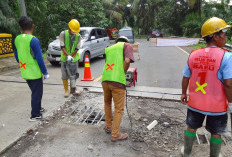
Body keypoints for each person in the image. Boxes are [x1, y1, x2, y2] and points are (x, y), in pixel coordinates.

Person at [180, 17, 232, 157]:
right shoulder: (226, 57)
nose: (225, 37)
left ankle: (186, 153)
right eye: (224, 34)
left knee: (191, 127)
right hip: (217, 105)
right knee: (216, 132)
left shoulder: (194, 54)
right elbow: (228, 84)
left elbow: (186, 77)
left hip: (195, 102)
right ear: (215, 36)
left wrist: (184, 93)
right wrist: (231, 103)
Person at [14, 16, 49, 121]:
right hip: (34, 72)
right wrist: (45, 72)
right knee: (37, 93)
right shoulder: (33, 40)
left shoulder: (17, 39)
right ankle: (35, 115)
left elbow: (16, 54)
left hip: (24, 71)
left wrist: (21, 63)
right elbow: (39, 58)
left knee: (35, 92)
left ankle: (37, 107)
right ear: (33, 26)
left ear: (20, 27)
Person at [101, 36, 134, 142]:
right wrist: (122, 72)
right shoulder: (127, 45)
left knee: (107, 103)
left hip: (105, 79)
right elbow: (127, 61)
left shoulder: (109, 48)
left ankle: (108, 126)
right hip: (117, 82)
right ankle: (115, 134)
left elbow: (108, 64)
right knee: (119, 109)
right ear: (125, 42)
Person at [59, 19, 82, 98]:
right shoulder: (63, 34)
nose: (74, 32)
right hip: (64, 58)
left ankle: (73, 89)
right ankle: (66, 90)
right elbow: (62, 46)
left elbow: (77, 48)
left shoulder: (78, 36)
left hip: (74, 59)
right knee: (64, 75)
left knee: (74, 75)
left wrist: (71, 56)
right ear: (68, 27)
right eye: (73, 30)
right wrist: (67, 55)